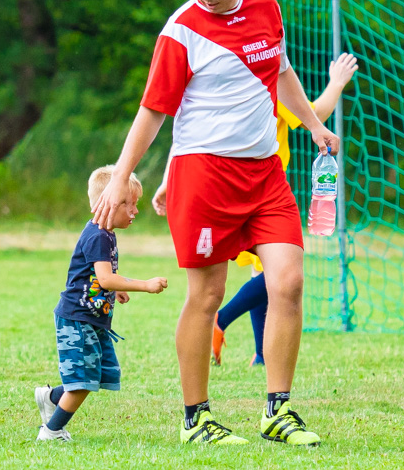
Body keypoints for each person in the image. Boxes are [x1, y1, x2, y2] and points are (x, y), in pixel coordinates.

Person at [92, 0, 341, 446]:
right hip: (205, 177)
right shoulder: (180, 32)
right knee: (207, 294)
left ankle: (278, 411)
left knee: (289, 282)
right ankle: (196, 419)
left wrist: (314, 125)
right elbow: (154, 112)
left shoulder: (266, 10)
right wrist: (121, 174)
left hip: (265, 174)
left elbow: (283, 73)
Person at [152, 53, 358, 367]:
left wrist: (169, 178)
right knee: (280, 273)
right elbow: (315, 114)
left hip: (230, 191)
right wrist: (337, 82)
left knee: (260, 273)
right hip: (262, 193)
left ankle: (261, 355)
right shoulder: (267, 84)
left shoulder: (231, 83)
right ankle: (220, 320)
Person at [34, 165, 168, 442]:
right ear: (108, 203)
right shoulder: (97, 235)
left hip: (92, 319)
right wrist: (143, 284)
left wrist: (115, 289)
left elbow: (101, 276)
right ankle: (52, 431)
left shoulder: (105, 233)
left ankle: (49, 397)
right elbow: (106, 279)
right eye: (130, 204)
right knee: (82, 381)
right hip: (77, 319)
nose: (135, 211)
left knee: (95, 375)